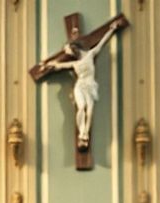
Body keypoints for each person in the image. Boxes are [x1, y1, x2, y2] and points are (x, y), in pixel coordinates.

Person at [44, 20, 122, 150]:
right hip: (80, 86)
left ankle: (85, 132)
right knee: (81, 108)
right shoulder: (74, 64)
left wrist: (112, 29)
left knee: (89, 110)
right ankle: (82, 133)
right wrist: (46, 65)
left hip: (90, 86)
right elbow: (58, 66)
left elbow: (102, 42)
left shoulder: (90, 55)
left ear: (74, 50)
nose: (67, 53)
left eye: (68, 51)